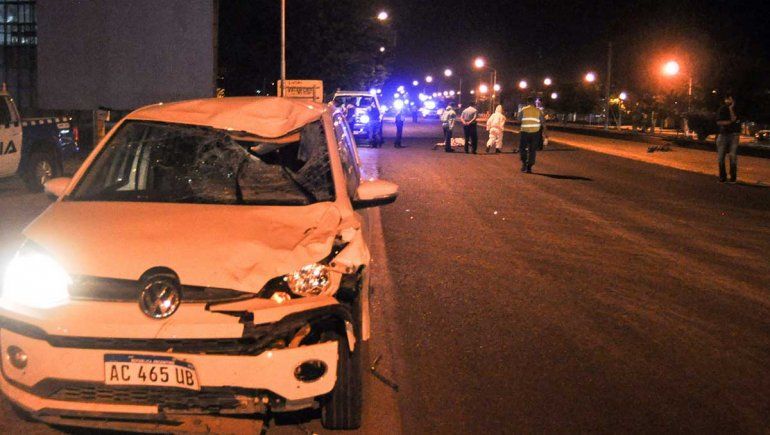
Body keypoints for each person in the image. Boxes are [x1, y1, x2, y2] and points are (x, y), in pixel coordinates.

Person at [517, 97, 547, 173]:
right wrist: (545, 134)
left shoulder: (523, 110)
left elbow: (518, 120)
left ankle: (524, 163)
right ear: (534, 103)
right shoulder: (538, 111)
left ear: (527, 102)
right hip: (535, 133)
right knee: (532, 150)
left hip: (525, 132)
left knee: (522, 148)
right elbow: (543, 122)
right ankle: (529, 167)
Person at [715, 94, 740, 183]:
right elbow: (719, 122)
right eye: (727, 99)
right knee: (721, 157)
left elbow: (734, 118)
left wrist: (731, 109)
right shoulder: (722, 109)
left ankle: (733, 177)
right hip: (723, 135)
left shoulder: (736, 109)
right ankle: (722, 177)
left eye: (730, 99)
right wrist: (730, 122)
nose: (728, 101)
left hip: (734, 135)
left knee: (733, 156)